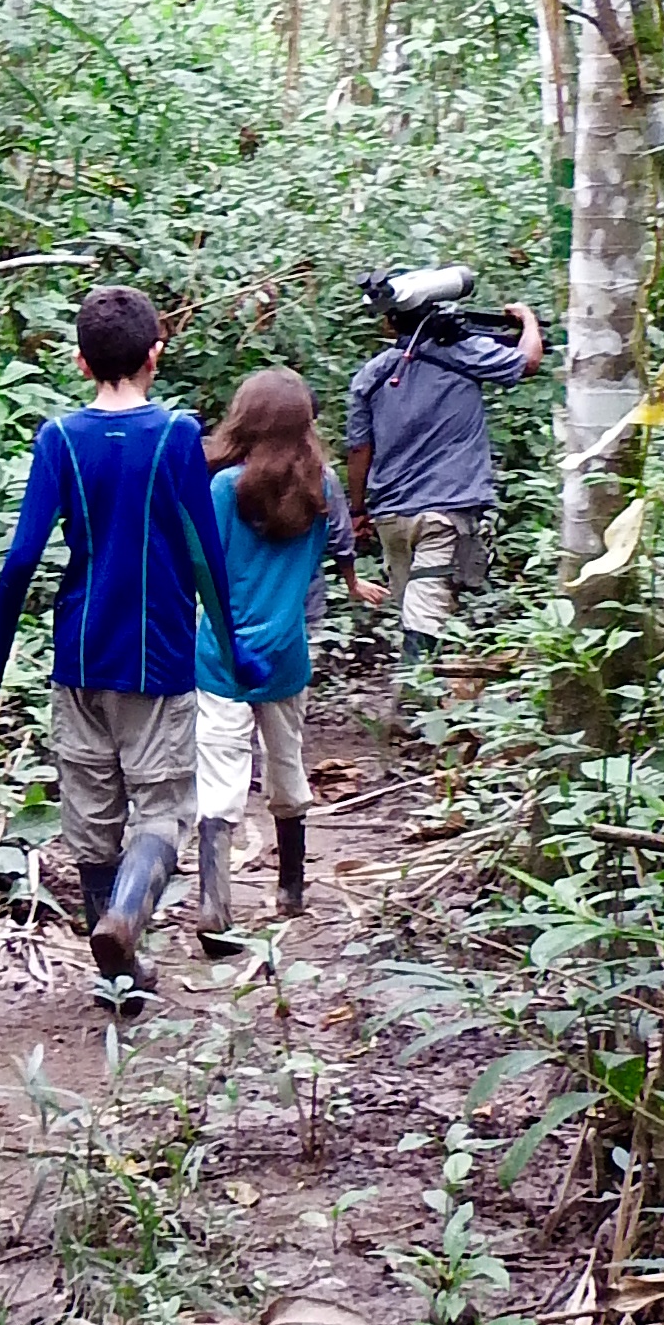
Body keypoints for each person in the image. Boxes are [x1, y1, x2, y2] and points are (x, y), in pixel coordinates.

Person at [0, 280, 259, 993]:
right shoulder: (178, 435)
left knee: (94, 822)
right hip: (157, 657)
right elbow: (202, 555)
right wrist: (229, 645)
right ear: (154, 354)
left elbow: (22, 556)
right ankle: (127, 922)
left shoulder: (60, 439)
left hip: (79, 658)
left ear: (79, 361)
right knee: (161, 809)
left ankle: (117, 980)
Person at [193, 367, 384, 944]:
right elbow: (331, 554)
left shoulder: (223, 489)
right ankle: (290, 890)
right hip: (286, 655)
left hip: (220, 657)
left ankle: (215, 905)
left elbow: (205, 572)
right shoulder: (322, 488)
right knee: (286, 763)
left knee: (219, 779)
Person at [344, 288, 544, 700]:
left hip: (392, 517)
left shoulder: (372, 374)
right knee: (425, 611)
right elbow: (528, 362)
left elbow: (359, 450)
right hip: (446, 512)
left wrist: (358, 509)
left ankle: (424, 703)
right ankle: (413, 710)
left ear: (388, 324)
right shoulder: (465, 354)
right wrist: (527, 319)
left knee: (415, 608)